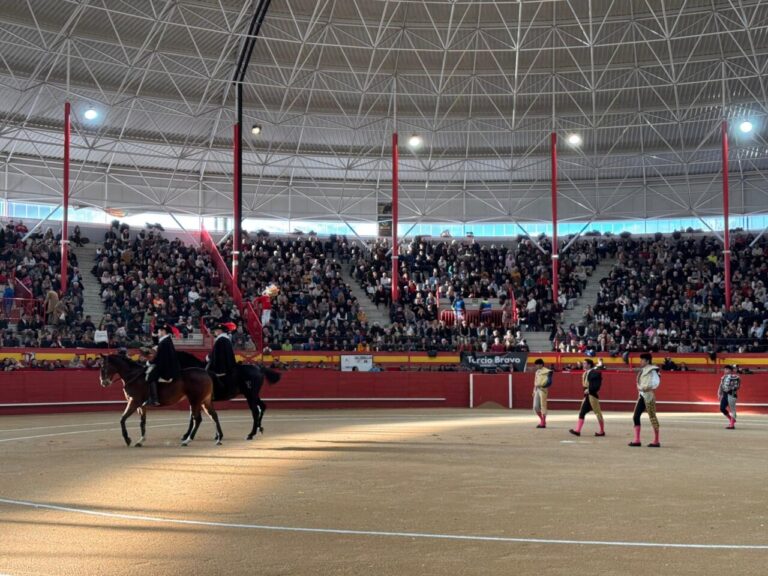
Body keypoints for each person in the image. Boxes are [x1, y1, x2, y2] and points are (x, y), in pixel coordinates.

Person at [629, 352, 661, 447]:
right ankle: (637, 440)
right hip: (641, 396)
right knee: (636, 416)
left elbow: (656, 383)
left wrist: (646, 387)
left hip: (649, 396)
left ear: (647, 361)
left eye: (642, 360)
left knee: (652, 417)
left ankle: (656, 441)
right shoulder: (642, 371)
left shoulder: (652, 370)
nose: (640, 361)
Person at [144, 323, 180, 406]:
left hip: (166, 368)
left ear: (163, 331)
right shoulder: (166, 340)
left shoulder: (164, 342)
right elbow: (157, 344)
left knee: (149, 377)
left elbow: (159, 357)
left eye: (159, 331)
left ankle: (154, 399)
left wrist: (149, 362)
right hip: (167, 365)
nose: (158, 332)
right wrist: (154, 335)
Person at [569, 358, 605, 437]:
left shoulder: (594, 373)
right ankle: (578, 430)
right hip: (587, 396)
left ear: (589, 365)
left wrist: (589, 390)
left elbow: (597, 386)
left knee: (598, 413)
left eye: (584, 363)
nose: (583, 364)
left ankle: (602, 431)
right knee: (582, 412)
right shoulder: (586, 373)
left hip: (592, 396)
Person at [206, 322, 238, 398]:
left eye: (216, 330)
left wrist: (209, 357)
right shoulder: (225, 339)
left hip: (221, 366)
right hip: (227, 365)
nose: (215, 332)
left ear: (220, 331)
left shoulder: (221, 340)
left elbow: (217, 354)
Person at [718, 364, 741, 429]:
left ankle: (732, 425)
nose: (725, 370)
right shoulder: (723, 377)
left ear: (730, 370)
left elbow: (737, 386)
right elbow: (721, 386)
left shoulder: (735, 377)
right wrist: (719, 393)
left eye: (727, 369)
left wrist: (731, 388)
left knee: (732, 409)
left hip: (731, 394)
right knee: (722, 408)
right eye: (724, 369)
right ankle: (731, 419)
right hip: (725, 394)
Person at [532, 358, 553, 428]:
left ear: (541, 364)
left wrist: (543, 386)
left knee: (543, 406)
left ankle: (543, 423)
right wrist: (534, 390)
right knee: (535, 407)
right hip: (537, 389)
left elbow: (549, 382)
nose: (536, 366)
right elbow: (535, 381)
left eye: (537, 365)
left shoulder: (548, 371)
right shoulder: (537, 372)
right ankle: (542, 420)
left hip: (543, 390)